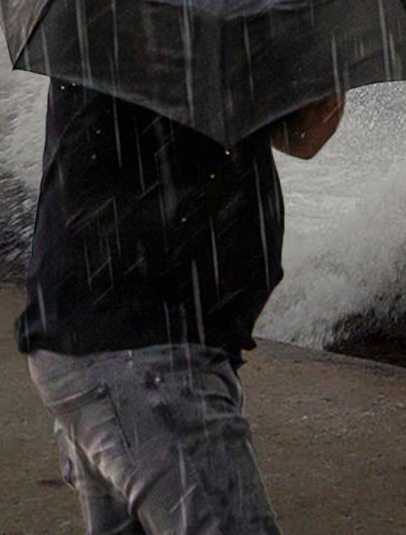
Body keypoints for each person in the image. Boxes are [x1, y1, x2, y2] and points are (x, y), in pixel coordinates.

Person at [19, 77, 343, 535]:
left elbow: (302, 134)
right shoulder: (175, 21)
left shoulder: (168, 25)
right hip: (141, 355)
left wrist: (317, 56)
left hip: (112, 340)